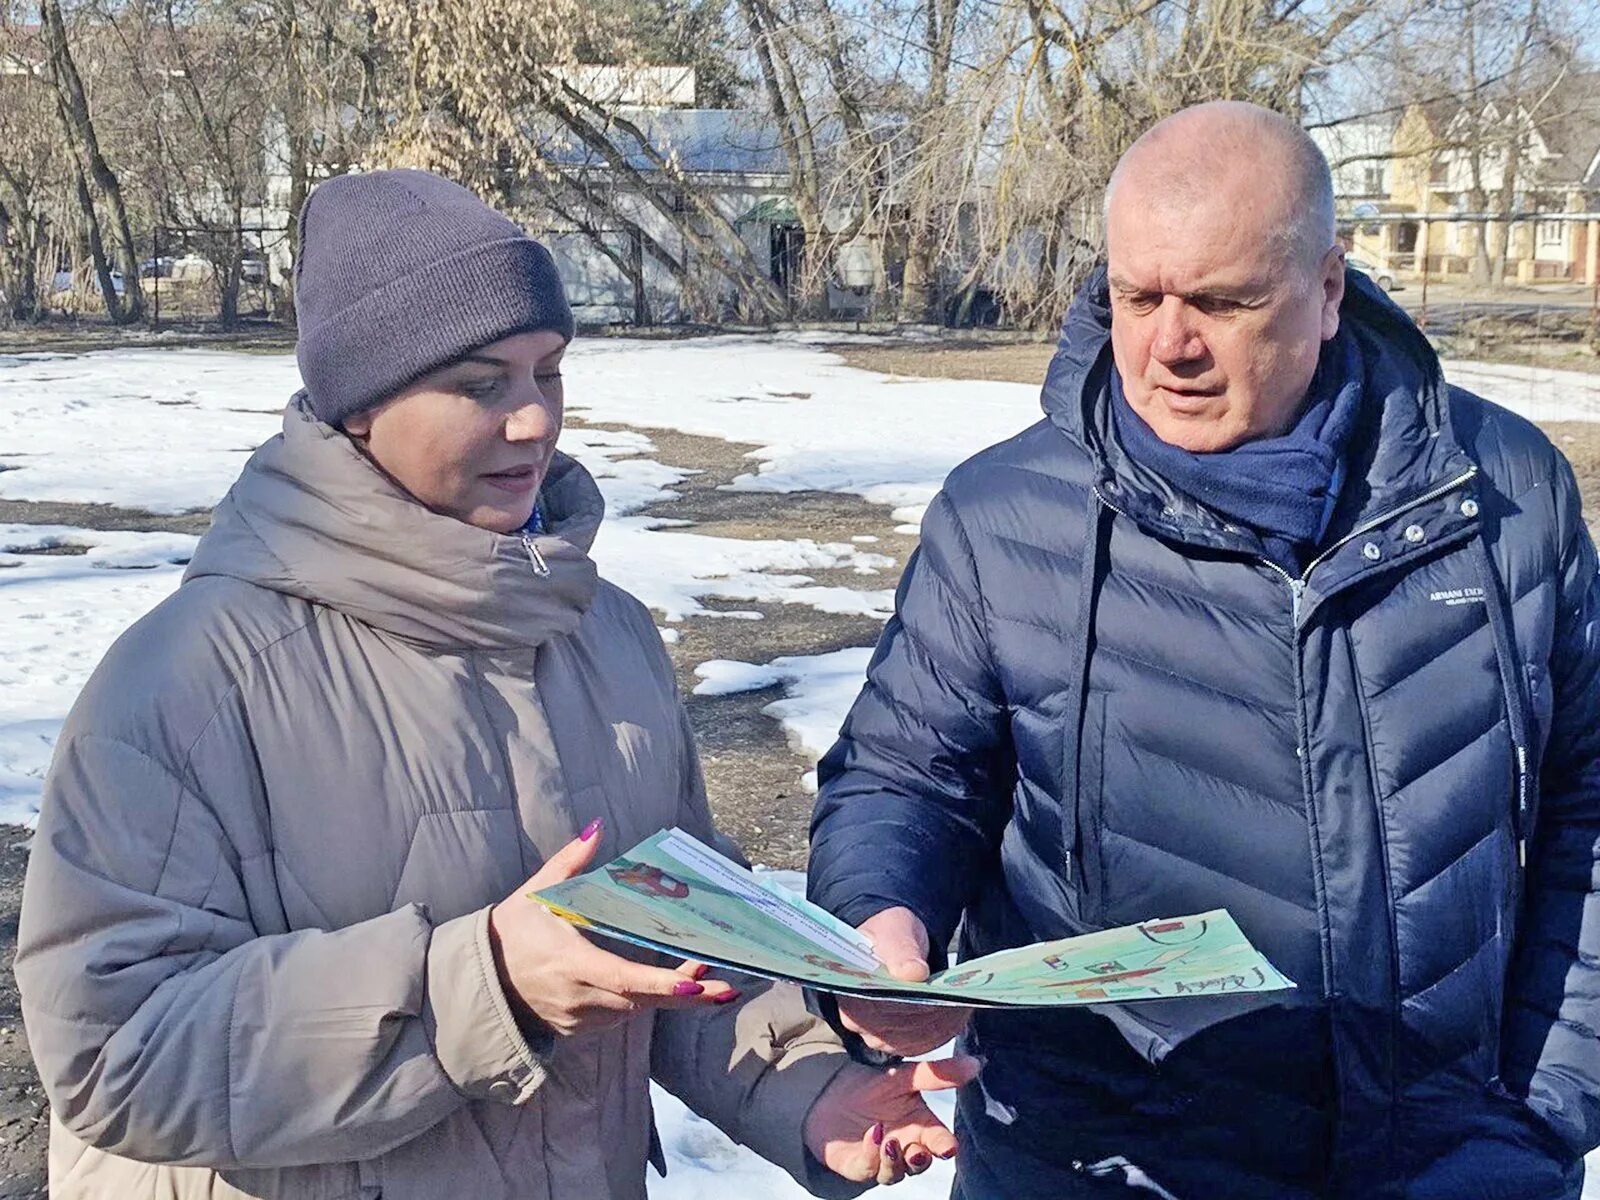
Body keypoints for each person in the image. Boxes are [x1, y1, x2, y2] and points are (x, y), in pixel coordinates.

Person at [15, 168, 975, 1200]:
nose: (532, 423)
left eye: (547, 372)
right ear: (359, 406)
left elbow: (682, 937)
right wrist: (490, 985)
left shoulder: (601, 631)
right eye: (479, 384)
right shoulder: (191, 680)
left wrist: (810, 1088)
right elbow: (116, 1059)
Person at [807, 101, 1600, 1199]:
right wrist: (876, 930)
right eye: (1136, 296)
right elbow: (902, 779)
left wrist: (1536, 1118)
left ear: (1327, 291)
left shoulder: (1503, 494)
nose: (1168, 345)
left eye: (1223, 302)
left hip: (1450, 1160)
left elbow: (1585, 811)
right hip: (1096, 1166)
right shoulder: (1004, 516)